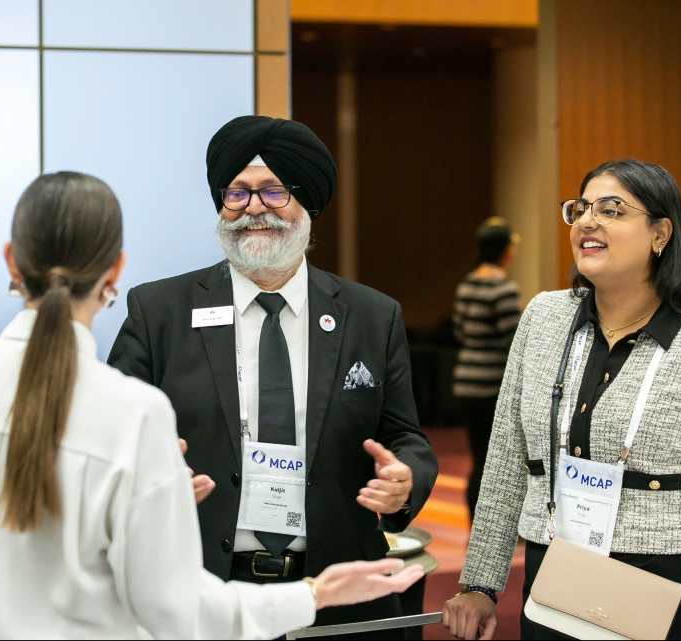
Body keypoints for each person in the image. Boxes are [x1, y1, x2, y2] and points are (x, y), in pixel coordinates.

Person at [0, 171, 425, 640]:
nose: (255, 205)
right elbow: (176, 610)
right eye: (238, 192)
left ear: (11, 259)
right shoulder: (131, 411)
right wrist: (313, 595)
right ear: (114, 271)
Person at [108, 115, 438, 635]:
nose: (254, 208)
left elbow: (405, 438)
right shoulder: (159, 311)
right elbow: (110, 435)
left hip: (337, 591)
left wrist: (405, 482)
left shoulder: (372, 316)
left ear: (308, 204)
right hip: (199, 591)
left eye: (273, 191)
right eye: (236, 193)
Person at [443, 159, 681, 640]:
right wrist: (481, 582)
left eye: (613, 210)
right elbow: (506, 460)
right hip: (555, 572)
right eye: (581, 208)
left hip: (665, 585)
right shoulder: (544, 318)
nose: (587, 221)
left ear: (660, 234)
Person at [452, 217, 520, 521]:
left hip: (465, 381)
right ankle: (493, 525)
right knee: (495, 461)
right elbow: (515, 342)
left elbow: (459, 331)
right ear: (505, 251)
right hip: (492, 384)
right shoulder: (503, 288)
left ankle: (474, 523)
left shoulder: (467, 283)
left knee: (478, 457)